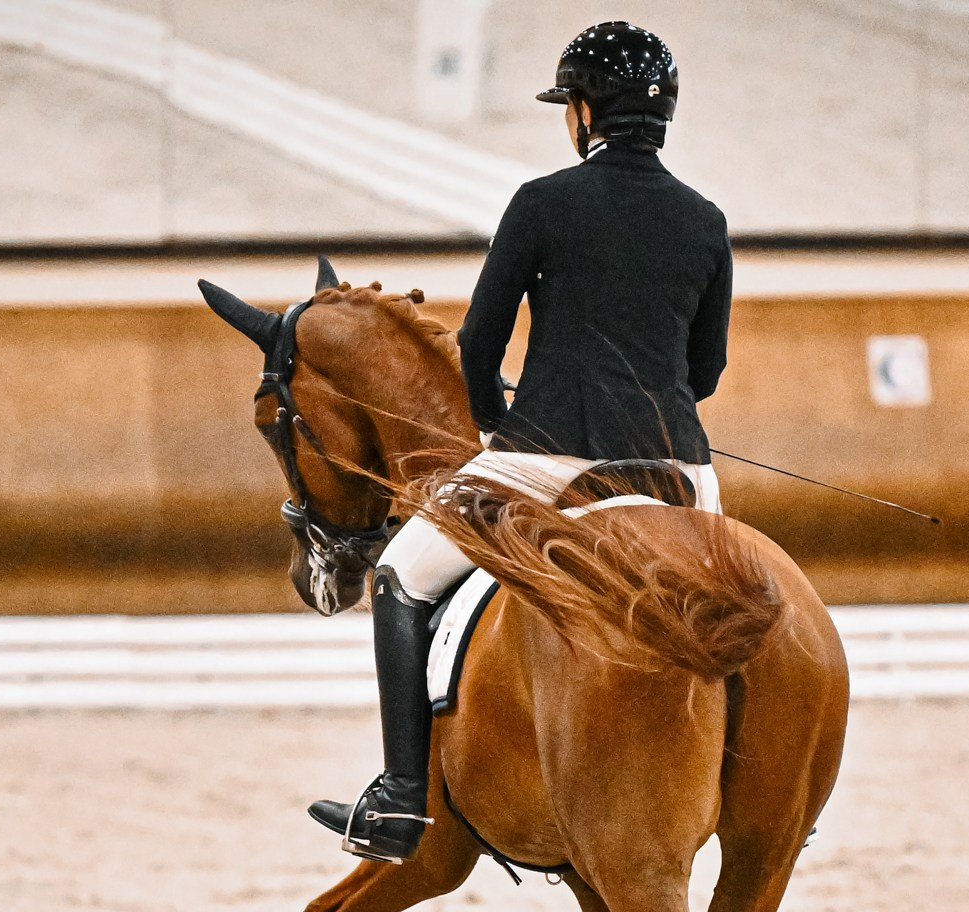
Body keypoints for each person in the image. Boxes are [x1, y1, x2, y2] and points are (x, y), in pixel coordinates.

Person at [309, 20, 735, 864]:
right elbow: (707, 369)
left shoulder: (542, 203)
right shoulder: (705, 220)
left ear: (584, 112)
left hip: (547, 455)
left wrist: (495, 422)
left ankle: (400, 797)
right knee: (731, 605)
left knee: (399, 575)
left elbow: (478, 343)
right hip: (683, 468)